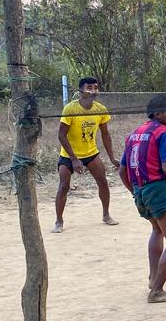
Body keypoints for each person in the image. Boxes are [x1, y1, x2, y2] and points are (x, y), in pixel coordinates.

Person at [118, 95, 166, 303]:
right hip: (158, 188)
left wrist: (135, 191)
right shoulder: (164, 132)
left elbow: (122, 170)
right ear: (157, 114)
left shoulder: (134, 134)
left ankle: (153, 279)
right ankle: (156, 291)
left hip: (140, 190)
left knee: (157, 230)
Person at [52, 77, 121, 233]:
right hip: (69, 155)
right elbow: (61, 135)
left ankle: (106, 215)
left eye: (95, 87)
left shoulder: (100, 109)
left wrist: (112, 158)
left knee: (103, 181)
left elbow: (105, 134)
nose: (93, 91)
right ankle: (59, 221)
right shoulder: (70, 109)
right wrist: (74, 159)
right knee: (64, 186)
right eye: (89, 87)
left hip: (91, 153)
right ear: (80, 90)